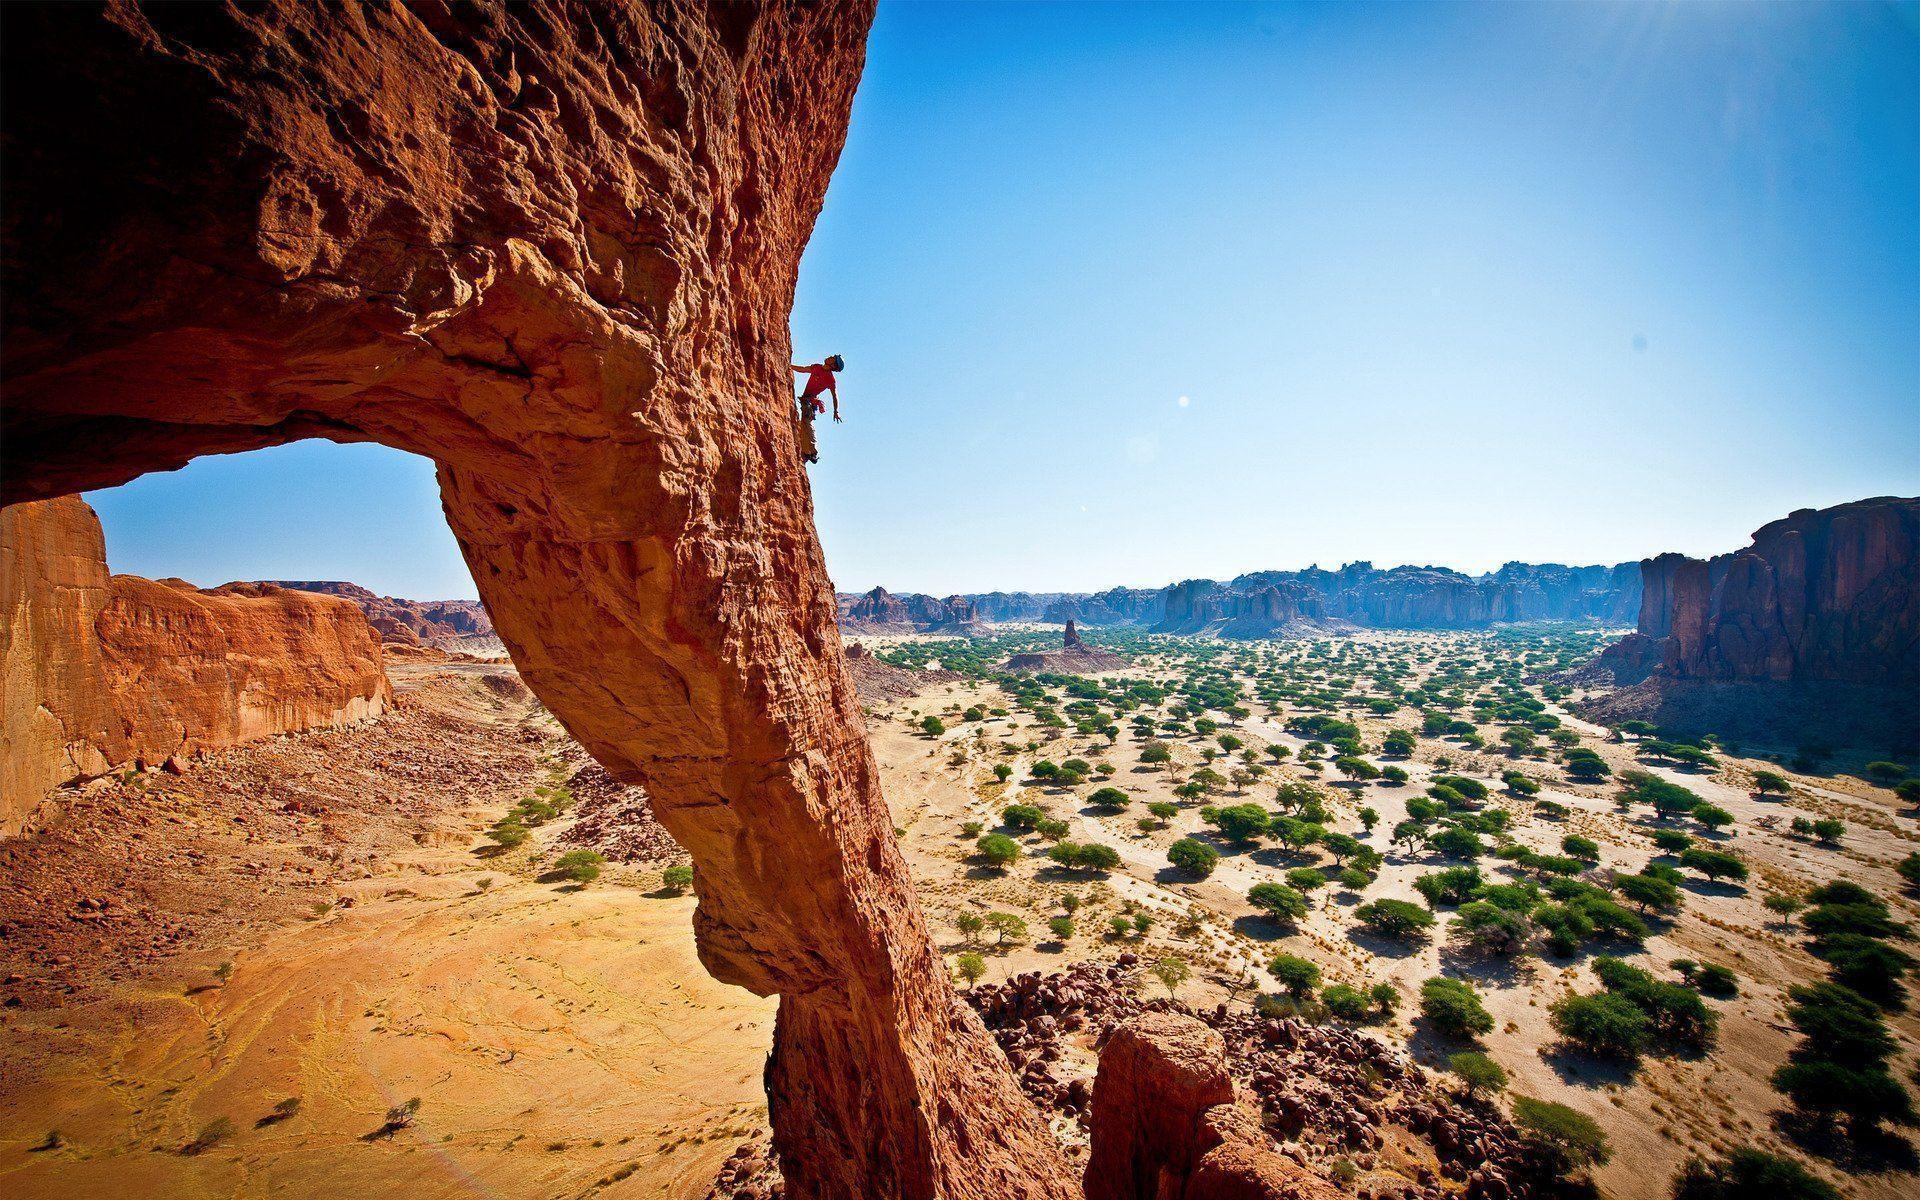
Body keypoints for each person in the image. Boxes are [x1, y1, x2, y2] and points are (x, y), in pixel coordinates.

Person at [791, 354, 843, 463]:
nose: (829, 357)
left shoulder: (830, 379)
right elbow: (803, 369)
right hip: (806, 399)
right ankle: (807, 450)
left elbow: (835, 396)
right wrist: (789, 366)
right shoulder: (817, 367)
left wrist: (836, 411)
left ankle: (812, 452)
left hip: (811, 401)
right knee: (803, 424)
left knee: (806, 422)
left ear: (833, 366)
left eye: (832, 358)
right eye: (832, 356)